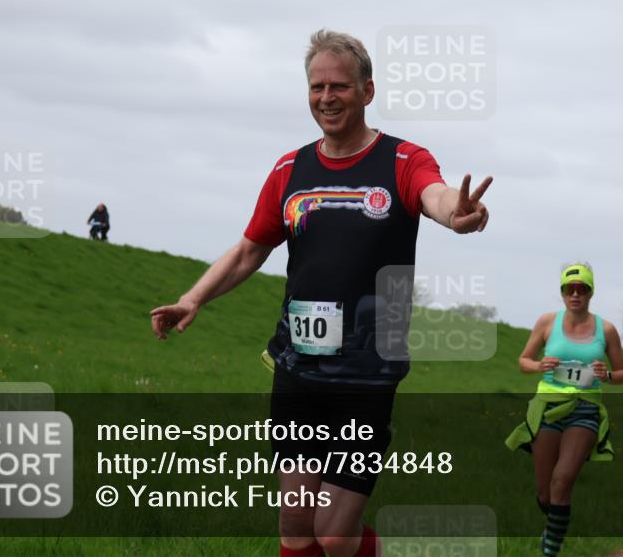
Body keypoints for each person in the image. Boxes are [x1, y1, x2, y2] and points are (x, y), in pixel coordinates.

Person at [149, 29, 492, 557]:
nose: (327, 97)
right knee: (295, 523)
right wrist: (194, 297)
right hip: (298, 368)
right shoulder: (290, 170)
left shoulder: (402, 160)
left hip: (366, 375)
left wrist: (458, 213)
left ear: (367, 91)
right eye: (317, 87)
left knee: (333, 533)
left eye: (339, 86)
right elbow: (249, 251)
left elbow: (436, 195)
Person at [505, 263, 623, 557]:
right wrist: (539, 365)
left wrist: (607, 375)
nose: (575, 295)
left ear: (590, 293)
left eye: (581, 289)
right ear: (562, 292)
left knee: (562, 479)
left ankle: (550, 550)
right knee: (546, 493)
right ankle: (553, 528)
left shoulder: (606, 330)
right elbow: (523, 360)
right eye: (569, 289)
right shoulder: (547, 322)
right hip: (547, 408)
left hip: (585, 410)